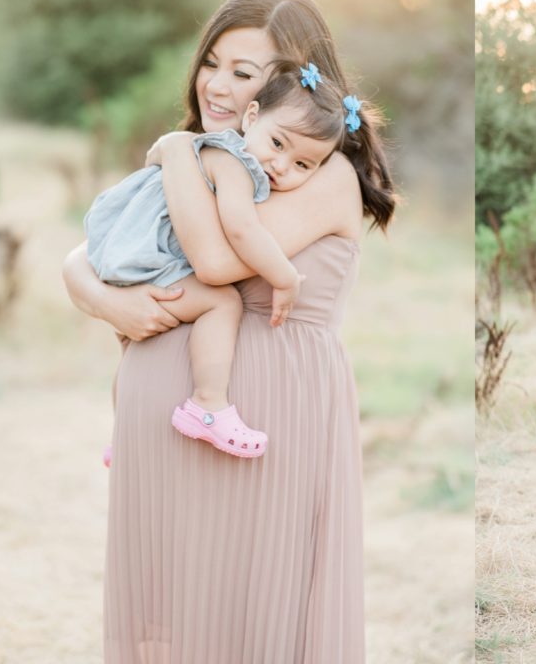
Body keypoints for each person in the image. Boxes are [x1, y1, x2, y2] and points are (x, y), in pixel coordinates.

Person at [62, 0, 395, 662]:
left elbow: (213, 260)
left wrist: (178, 151)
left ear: (286, 81)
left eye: (242, 71)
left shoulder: (319, 172)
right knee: (182, 614)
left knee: (255, 611)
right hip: (177, 405)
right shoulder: (222, 161)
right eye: (212, 62)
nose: (216, 84)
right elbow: (109, 249)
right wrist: (96, 293)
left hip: (269, 405)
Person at [85, 64, 349, 459]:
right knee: (223, 302)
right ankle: (207, 405)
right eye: (278, 144)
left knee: (130, 346)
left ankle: (121, 434)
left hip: (128, 254)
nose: (280, 166)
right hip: (150, 258)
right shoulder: (232, 160)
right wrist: (285, 276)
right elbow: (242, 230)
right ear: (253, 116)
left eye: (302, 165)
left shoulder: (209, 152)